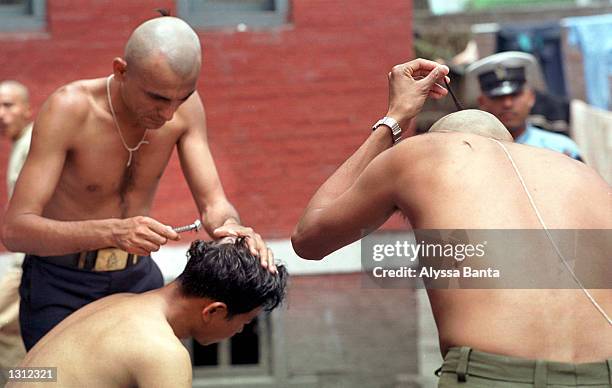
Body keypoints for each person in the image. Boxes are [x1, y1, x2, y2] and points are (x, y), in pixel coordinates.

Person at [291, 58, 611, 387]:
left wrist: (395, 119)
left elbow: (308, 238)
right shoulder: (582, 173)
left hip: (496, 375)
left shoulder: (423, 153)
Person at [0, 16, 275, 351]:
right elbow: (16, 231)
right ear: (121, 71)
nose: (169, 114)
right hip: (61, 283)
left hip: (138, 279)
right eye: (158, 98)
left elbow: (213, 204)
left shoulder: (185, 107)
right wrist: (113, 232)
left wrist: (232, 226)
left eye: (182, 97)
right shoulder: (69, 109)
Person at [6, 238, 288, 388]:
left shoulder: (118, 303)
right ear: (214, 311)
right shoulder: (163, 352)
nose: (239, 332)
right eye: (244, 322)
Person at [468, 51, 582, 160]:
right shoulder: (471, 153)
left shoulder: (561, 149)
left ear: (531, 97)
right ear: (482, 102)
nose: (507, 104)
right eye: (497, 97)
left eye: (515, 95)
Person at [0, 80, 33, 385]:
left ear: (27, 109)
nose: (1, 114)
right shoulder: (21, 143)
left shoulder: (33, 143)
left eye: (8, 105)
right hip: (25, 259)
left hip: (33, 260)